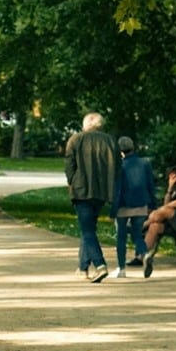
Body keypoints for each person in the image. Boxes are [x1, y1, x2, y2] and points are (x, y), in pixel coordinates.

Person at [63, 112, 119, 282]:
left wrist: (72, 181)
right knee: (88, 228)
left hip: (82, 190)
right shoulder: (110, 141)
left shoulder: (76, 139)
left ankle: (100, 264)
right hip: (102, 190)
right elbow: (117, 167)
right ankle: (82, 267)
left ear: (85, 124)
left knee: (87, 230)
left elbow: (69, 166)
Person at [111, 136, 155, 277]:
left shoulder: (120, 165)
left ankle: (121, 268)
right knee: (137, 234)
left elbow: (117, 188)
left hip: (123, 204)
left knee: (121, 237)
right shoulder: (145, 163)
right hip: (141, 203)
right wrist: (152, 204)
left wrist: (113, 208)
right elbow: (150, 185)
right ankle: (144, 253)